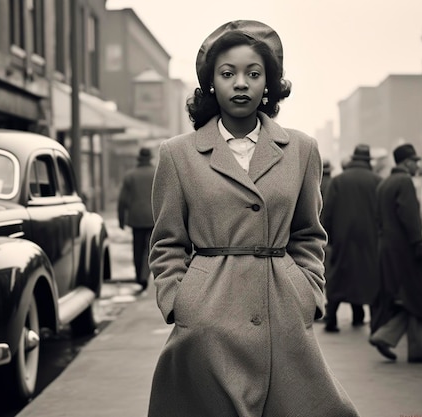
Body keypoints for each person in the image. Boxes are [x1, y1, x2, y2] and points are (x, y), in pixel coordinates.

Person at [147, 20, 359, 417]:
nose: (240, 83)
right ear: (211, 82)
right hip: (206, 318)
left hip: (282, 312)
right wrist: (181, 302)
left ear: (269, 84)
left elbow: (309, 234)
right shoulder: (178, 154)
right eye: (228, 74)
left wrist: (307, 293)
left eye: (253, 73)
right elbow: (166, 243)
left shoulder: (301, 149)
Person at [369, 143, 422, 363]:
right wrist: (419, 245)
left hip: (388, 249)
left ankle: (417, 349)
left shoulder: (385, 184)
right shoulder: (404, 182)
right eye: (415, 161)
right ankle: (385, 336)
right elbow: (410, 218)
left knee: (410, 298)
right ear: (406, 162)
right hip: (405, 250)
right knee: (416, 295)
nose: (418, 165)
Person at [321, 144, 381, 332]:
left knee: (339, 276)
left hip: (342, 237)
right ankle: (362, 317)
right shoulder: (377, 181)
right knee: (367, 276)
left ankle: (331, 318)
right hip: (370, 238)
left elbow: (327, 211)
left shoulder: (338, 181)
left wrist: (327, 236)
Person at [117, 147, 155, 291]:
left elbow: (122, 200)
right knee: (150, 248)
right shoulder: (156, 172)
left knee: (137, 249)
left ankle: (139, 276)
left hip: (136, 218)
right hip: (154, 217)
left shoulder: (130, 175)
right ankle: (145, 276)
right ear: (150, 158)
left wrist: (121, 220)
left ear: (138, 158)